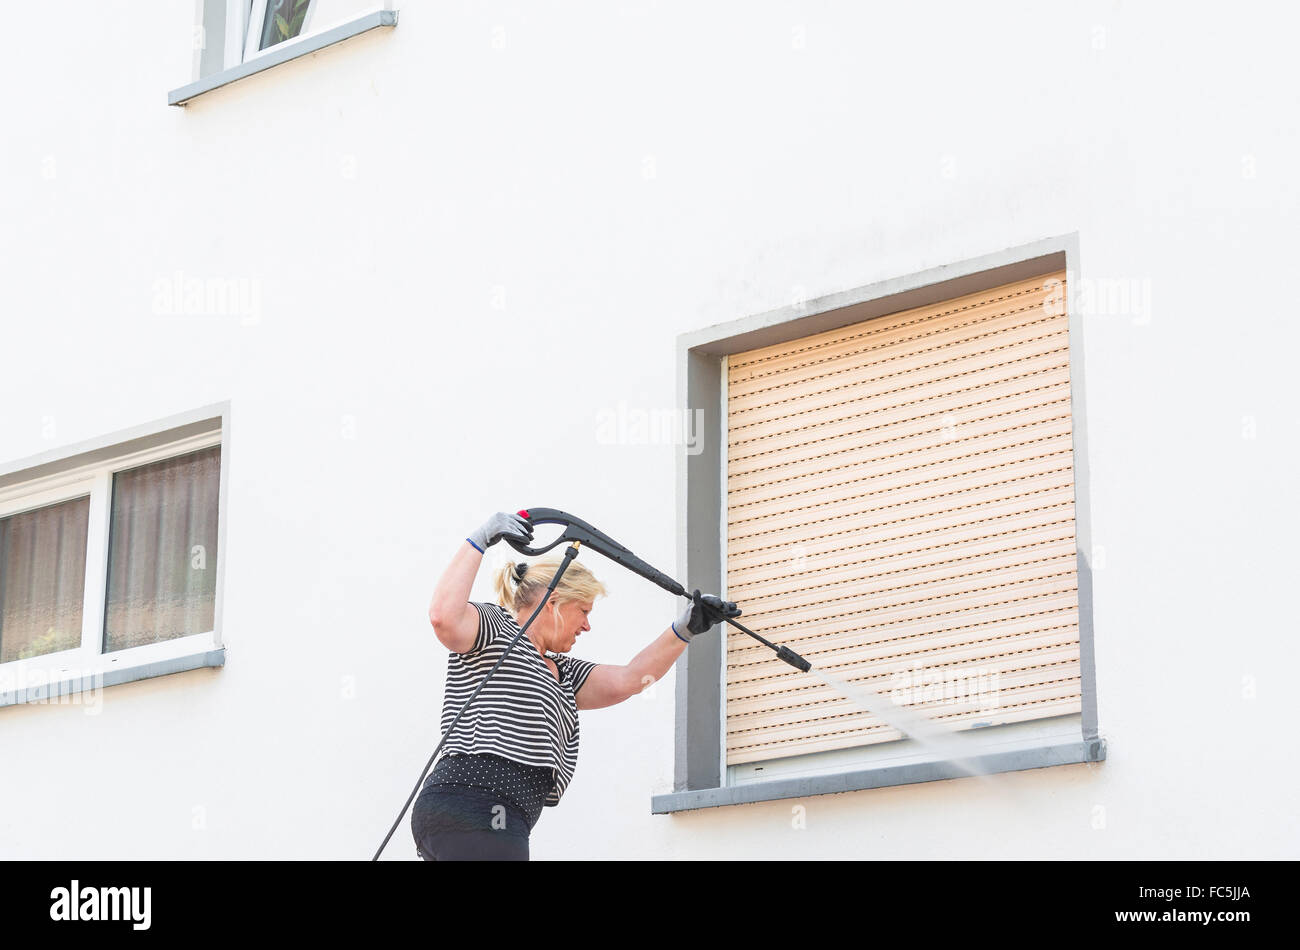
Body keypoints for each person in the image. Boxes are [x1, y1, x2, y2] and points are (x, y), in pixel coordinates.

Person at [411, 511, 739, 860]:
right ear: (553, 603)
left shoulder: (564, 673)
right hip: (475, 804)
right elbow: (443, 617)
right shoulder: (497, 627)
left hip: (498, 815)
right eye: (583, 611)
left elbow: (630, 679)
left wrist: (687, 628)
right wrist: (480, 537)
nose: (586, 626)